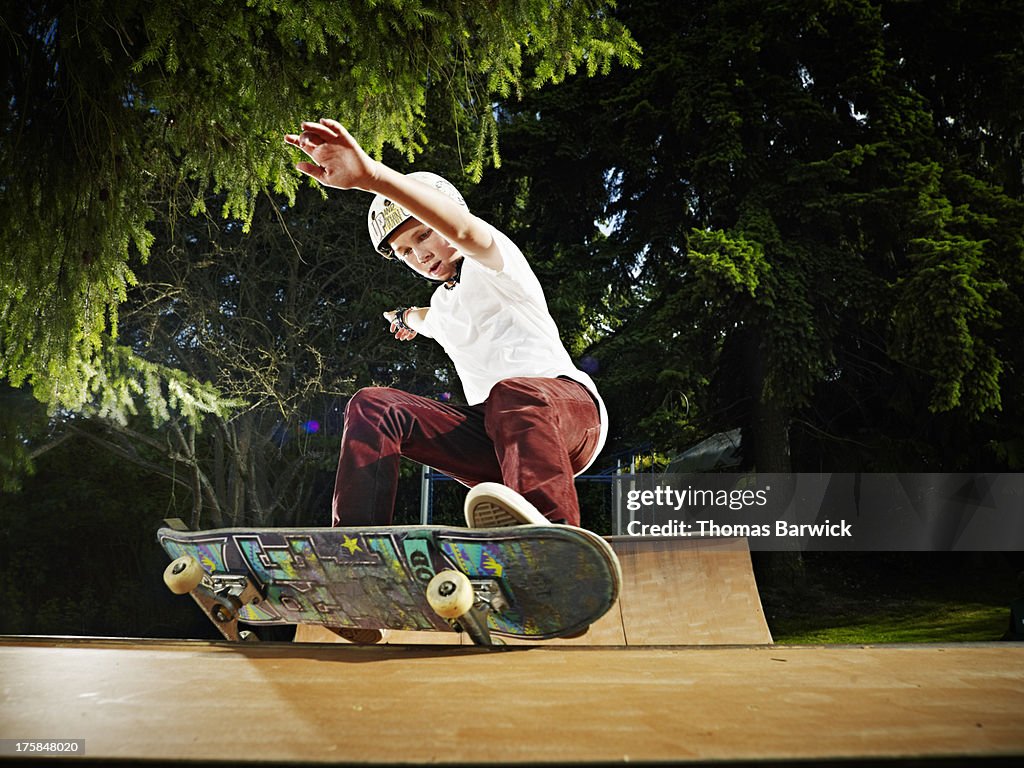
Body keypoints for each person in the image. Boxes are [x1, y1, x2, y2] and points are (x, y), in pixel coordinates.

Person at [284, 119, 607, 529]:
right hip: (496, 443)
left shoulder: (495, 263)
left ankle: (553, 540)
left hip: (566, 418)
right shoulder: (442, 307)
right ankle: (357, 545)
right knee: (373, 405)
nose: (418, 256)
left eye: (423, 236)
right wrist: (405, 319)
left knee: (510, 395)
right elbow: (425, 318)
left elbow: (463, 229)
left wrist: (372, 177)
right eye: (404, 252)